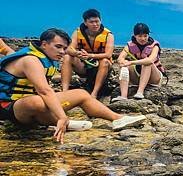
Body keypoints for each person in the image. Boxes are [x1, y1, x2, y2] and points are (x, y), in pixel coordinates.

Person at [0, 28, 146, 142]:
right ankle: (66, 123)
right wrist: (62, 116)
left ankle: (118, 119)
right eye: (58, 47)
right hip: (9, 107)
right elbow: (44, 91)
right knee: (37, 102)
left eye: (64, 48)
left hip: (34, 104)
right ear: (44, 44)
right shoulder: (30, 60)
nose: (62, 52)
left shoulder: (48, 58)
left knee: (81, 94)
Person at [61, 9, 114, 98]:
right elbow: (69, 49)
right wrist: (77, 53)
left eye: (97, 21)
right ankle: (64, 91)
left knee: (105, 61)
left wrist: (90, 55)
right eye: (91, 22)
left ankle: (94, 93)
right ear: (85, 23)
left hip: (100, 67)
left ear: (100, 21)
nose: (95, 24)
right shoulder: (77, 32)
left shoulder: (108, 35)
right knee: (67, 57)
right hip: (83, 65)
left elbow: (108, 54)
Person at [113, 23, 166, 101]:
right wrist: (123, 62)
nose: (143, 38)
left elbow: (150, 60)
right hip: (137, 76)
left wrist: (131, 63)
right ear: (135, 36)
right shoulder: (130, 45)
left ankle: (140, 92)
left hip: (154, 78)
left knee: (147, 63)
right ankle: (123, 96)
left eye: (145, 36)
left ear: (148, 35)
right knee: (123, 65)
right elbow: (120, 58)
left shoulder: (155, 45)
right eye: (140, 36)